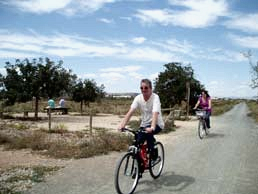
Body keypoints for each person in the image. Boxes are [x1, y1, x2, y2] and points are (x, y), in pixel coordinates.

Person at [118, 78, 164, 158]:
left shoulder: (155, 97)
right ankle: (140, 163)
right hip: (144, 124)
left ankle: (153, 152)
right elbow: (130, 112)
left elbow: (155, 113)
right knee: (138, 141)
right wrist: (122, 125)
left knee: (149, 134)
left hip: (157, 124)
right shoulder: (138, 98)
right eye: (141, 88)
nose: (143, 90)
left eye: (146, 87)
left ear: (150, 89)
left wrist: (152, 127)